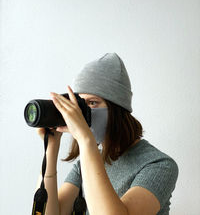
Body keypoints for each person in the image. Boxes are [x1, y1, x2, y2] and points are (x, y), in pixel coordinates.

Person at [36, 53, 178, 215]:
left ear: (117, 109)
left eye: (92, 103)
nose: (81, 115)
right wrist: (50, 149)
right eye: (80, 105)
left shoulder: (159, 165)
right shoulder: (84, 164)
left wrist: (85, 139)